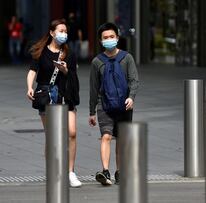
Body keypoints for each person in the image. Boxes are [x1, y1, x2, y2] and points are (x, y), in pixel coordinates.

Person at [26, 18, 81, 187]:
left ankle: (70, 172)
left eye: (65, 31)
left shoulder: (69, 53)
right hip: (47, 96)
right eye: (60, 31)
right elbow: (32, 71)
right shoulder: (40, 51)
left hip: (66, 96)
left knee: (71, 132)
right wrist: (29, 87)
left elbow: (73, 76)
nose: (64, 34)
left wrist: (65, 69)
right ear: (52, 32)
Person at [89, 22, 139, 186]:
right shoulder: (97, 61)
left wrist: (131, 97)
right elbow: (94, 88)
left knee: (121, 139)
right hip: (104, 105)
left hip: (124, 105)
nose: (109, 39)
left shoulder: (127, 58)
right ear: (100, 41)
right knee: (106, 136)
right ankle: (105, 171)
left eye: (111, 36)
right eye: (105, 38)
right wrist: (91, 112)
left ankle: (119, 172)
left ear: (117, 38)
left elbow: (134, 80)